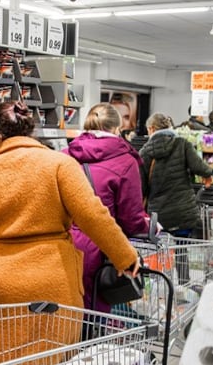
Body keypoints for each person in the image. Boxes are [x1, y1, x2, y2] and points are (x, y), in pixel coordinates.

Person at [0, 102, 139, 365]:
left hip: (0, 285)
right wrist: (124, 256)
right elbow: (93, 215)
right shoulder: (59, 164)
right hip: (54, 278)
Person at [63, 103, 149, 313]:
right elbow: (131, 218)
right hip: (100, 246)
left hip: (63, 244)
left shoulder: (64, 154)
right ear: (116, 129)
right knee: (94, 314)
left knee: (65, 313)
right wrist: (150, 227)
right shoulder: (125, 161)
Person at [140, 113, 213, 237]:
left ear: (151, 129)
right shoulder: (182, 144)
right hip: (184, 212)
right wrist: (208, 175)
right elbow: (199, 167)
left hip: (159, 215)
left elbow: (141, 187)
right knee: (182, 249)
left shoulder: (144, 152)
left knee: (162, 253)